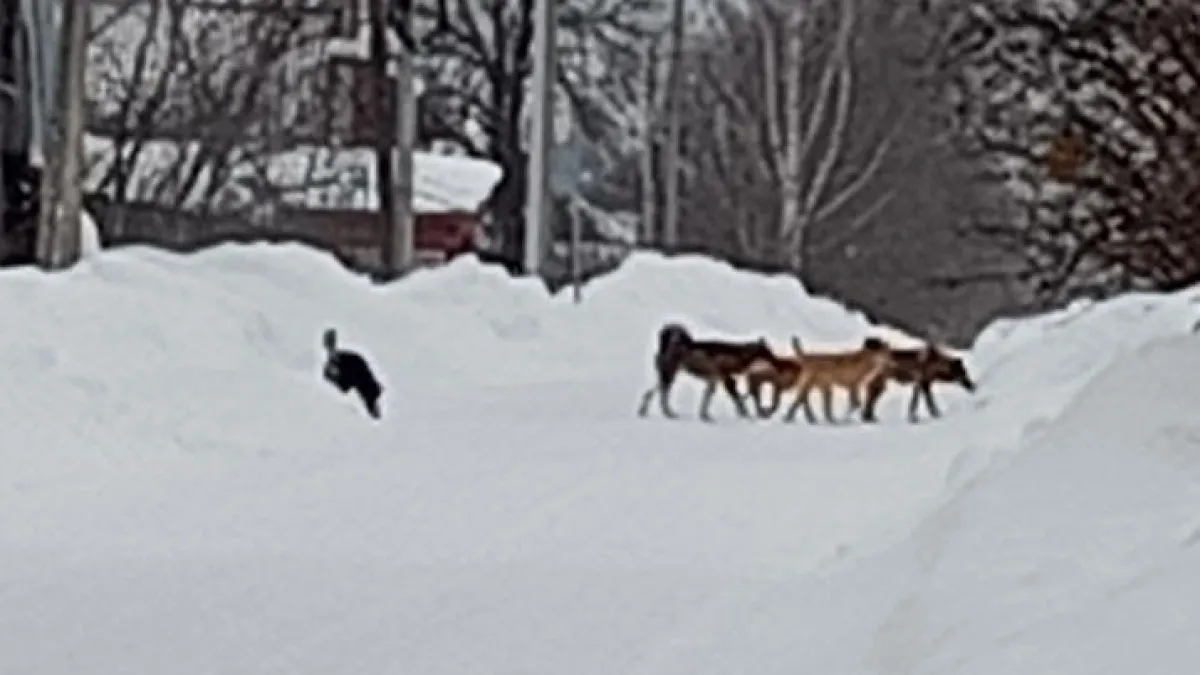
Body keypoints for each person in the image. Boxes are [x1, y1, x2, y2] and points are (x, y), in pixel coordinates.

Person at [321, 328, 383, 420]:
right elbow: (343, 388)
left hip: (362, 389)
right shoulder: (349, 361)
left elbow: (345, 386)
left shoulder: (352, 361)